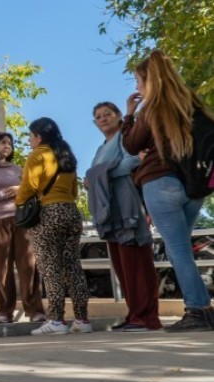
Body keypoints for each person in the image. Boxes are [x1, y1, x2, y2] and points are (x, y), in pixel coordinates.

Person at [122, 50, 214, 332]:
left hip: (160, 184)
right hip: (193, 186)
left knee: (177, 250)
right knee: (181, 250)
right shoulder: (191, 104)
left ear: (150, 80)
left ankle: (199, 311)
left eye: (139, 81)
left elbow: (130, 144)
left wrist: (128, 115)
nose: (137, 87)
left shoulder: (151, 109)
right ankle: (201, 310)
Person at [85, 101, 161, 332]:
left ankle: (145, 317)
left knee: (136, 262)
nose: (103, 119)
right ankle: (133, 314)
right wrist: (94, 177)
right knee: (122, 266)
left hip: (128, 207)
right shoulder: (101, 149)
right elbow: (94, 177)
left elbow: (133, 160)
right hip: (109, 212)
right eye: (98, 117)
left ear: (119, 116)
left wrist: (100, 173)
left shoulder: (124, 137)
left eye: (108, 114)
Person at [17, 117, 90, 335]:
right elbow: (75, 192)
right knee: (73, 267)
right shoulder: (66, 156)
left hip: (48, 213)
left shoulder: (38, 155)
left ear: (38, 137)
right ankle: (82, 319)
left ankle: (57, 320)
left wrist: (19, 204)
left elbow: (28, 187)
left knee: (50, 268)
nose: (30, 140)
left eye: (31, 136)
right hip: (71, 212)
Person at [0, 133, 45, 323]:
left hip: (21, 220)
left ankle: (35, 311)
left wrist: (20, 190)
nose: (7, 146)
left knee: (28, 265)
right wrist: (3, 194)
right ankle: (4, 312)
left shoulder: (18, 169)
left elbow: (33, 188)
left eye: (10, 143)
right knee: (2, 267)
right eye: (3, 142)